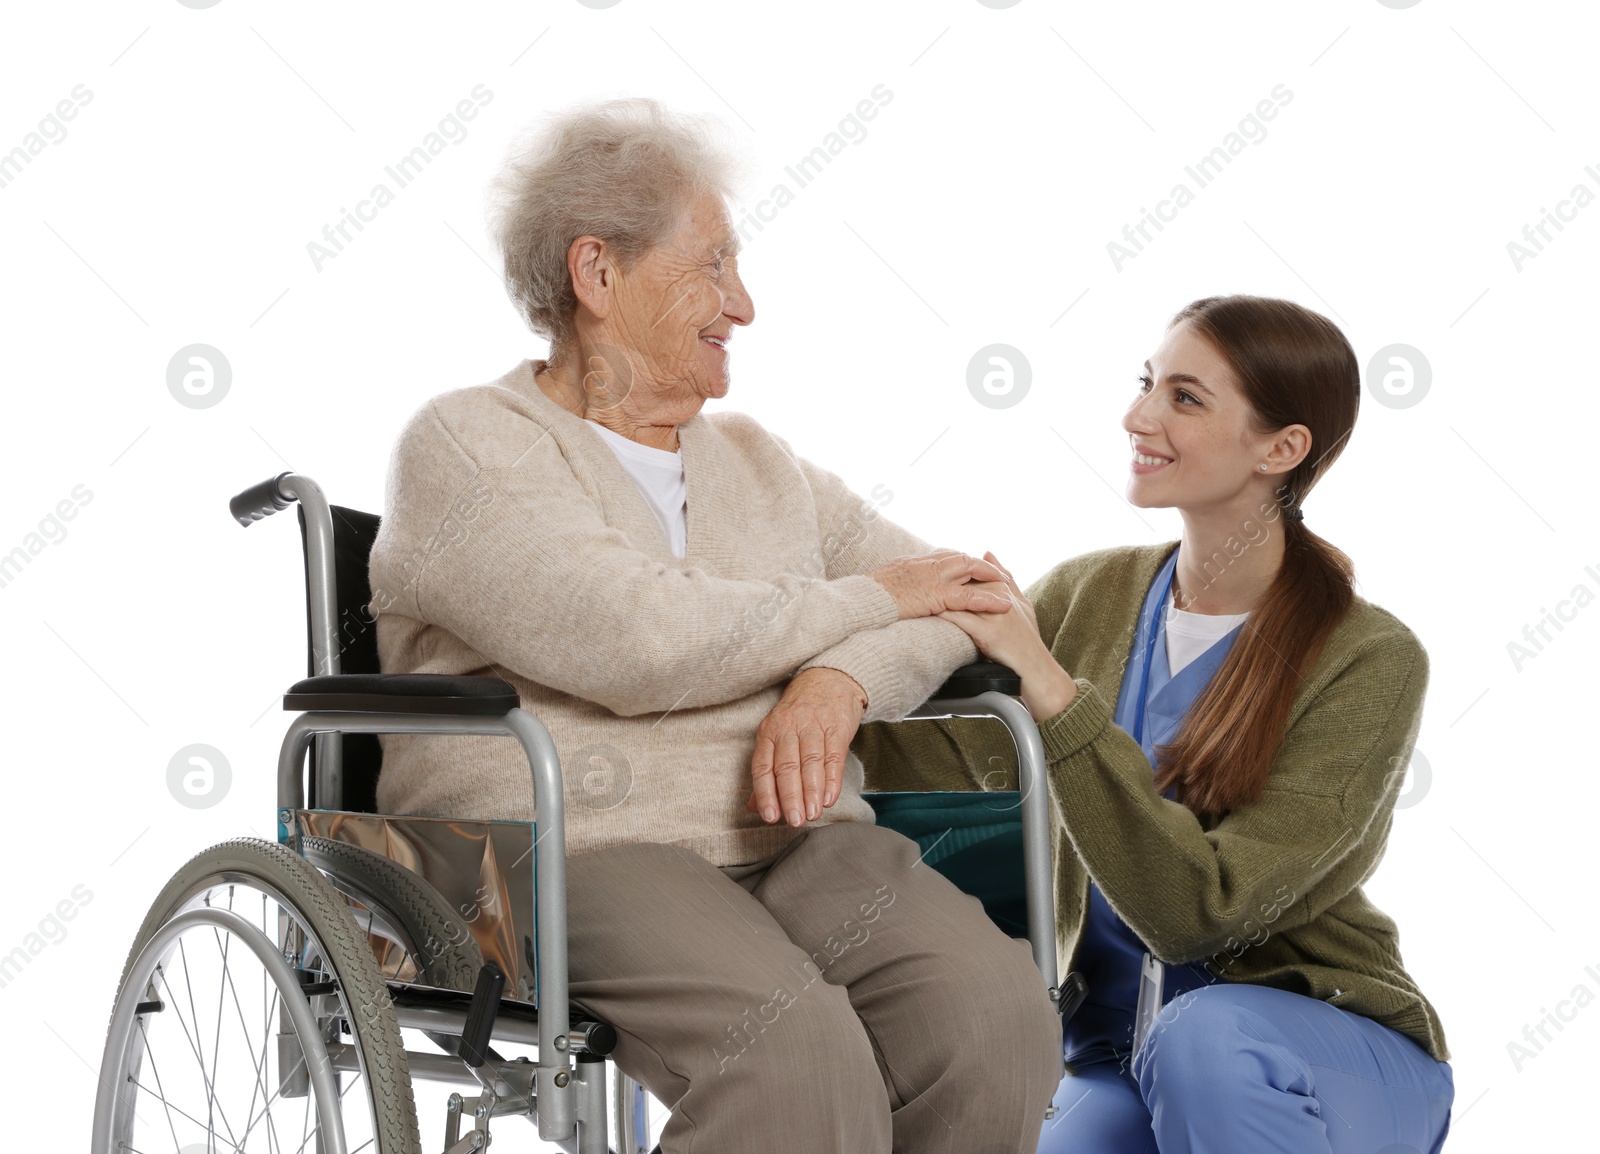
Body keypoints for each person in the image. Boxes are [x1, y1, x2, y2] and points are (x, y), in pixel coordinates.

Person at [366, 97, 1061, 1153]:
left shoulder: (759, 462)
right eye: (713, 265)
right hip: (560, 843)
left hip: (789, 835)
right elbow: (637, 640)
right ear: (596, 274)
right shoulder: (469, 446)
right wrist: (875, 598)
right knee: (791, 1061)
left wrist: (842, 684)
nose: (742, 303)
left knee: (994, 1021)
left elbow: (971, 597)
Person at [855, 295, 1454, 1154]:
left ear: (1281, 449)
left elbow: (1202, 917)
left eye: (1185, 397)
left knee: (1205, 1040)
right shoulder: (1088, 594)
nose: (1137, 416)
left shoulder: (1369, 658)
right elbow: (938, 758)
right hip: (1114, 1059)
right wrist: (823, 676)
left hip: (1323, 1052)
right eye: (1146, 384)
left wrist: (1058, 697)